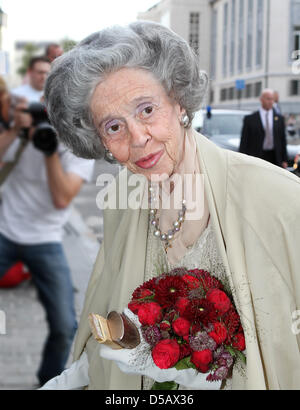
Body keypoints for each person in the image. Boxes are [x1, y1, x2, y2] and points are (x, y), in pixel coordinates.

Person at [41, 22, 300, 390]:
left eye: (146, 109)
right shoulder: (123, 198)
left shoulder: (281, 199)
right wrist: (79, 375)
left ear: (178, 100)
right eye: (113, 127)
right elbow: (110, 313)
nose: (138, 138)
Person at [0, 55, 95, 386]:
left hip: (46, 240)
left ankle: (47, 382)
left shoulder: (77, 145)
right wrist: (15, 131)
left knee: (65, 325)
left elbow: (61, 198)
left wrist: (50, 151)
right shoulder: (20, 125)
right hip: (5, 232)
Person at [239, 88, 288, 168]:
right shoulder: (250, 119)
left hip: (275, 157)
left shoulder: (279, 118)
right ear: (261, 99)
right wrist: (242, 159)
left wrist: (284, 159)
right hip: (257, 156)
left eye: (272, 99)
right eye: (268, 99)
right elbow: (244, 141)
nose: (271, 102)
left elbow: (282, 139)